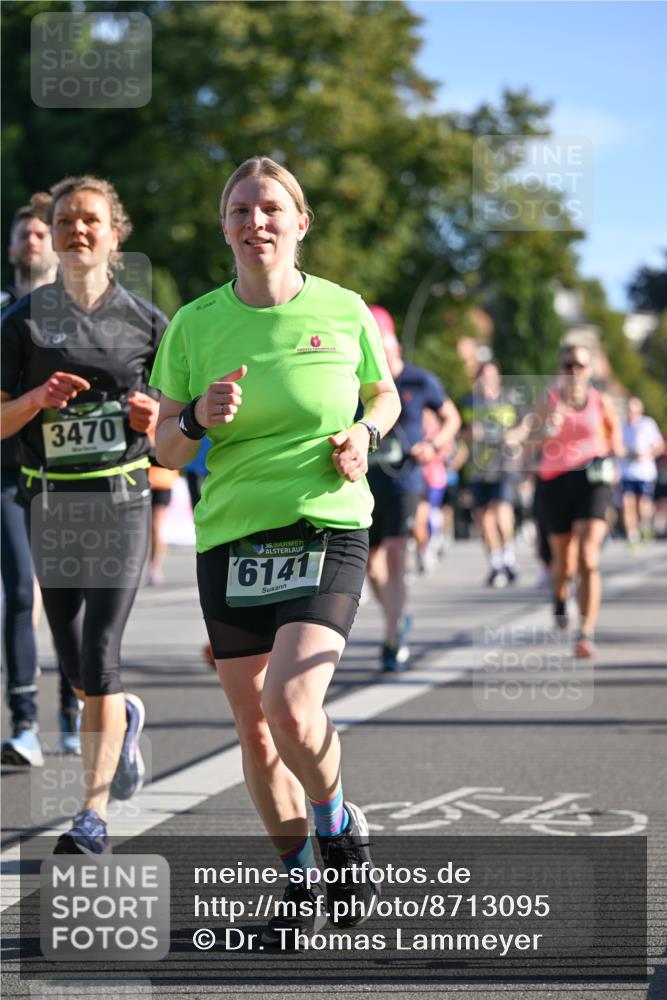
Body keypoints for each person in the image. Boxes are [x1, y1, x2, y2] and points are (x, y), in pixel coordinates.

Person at [150, 156, 401, 947]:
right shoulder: (193, 324)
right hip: (232, 537)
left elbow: (384, 392)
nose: (254, 222)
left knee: (290, 705)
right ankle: (297, 881)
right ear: (223, 226)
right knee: (254, 730)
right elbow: (162, 451)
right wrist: (193, 417)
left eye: (268, 208)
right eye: (238, 210)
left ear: (299, 222)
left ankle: (337, 824)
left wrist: (365, 433)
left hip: (325, 523)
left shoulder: (343, 308)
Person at [1, 175, 168, 851]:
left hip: (122, 500)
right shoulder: (21, 321)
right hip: (50, 503)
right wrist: (36, 399)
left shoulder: (148, 323)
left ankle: (91, 815)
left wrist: (154, 419)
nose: (76, 229)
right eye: (65, 219)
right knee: (74, 664)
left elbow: (176, 427)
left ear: (114, 234)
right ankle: (121, 719)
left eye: (90, 219)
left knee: (100, 654)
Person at [1, 194, 81, 765]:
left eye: (39, 233)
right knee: (21, 592)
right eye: (23, 233)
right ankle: (25, 724)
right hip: (8, 472)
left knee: (70, 597)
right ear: (11, 246)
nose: (31, 241)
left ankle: (75, 714)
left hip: (70, 473)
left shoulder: (85, 309)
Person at [365, 307, 460, 671]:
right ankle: (397, 616)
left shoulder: (420, 381)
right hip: (368, 482)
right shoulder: (360, 383)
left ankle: (392, 639)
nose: (383, 359)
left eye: (386, 349)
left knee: (394, 554)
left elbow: (452, 418)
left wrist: (434, 446)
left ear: (397, 348)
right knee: (370, 566)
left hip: (406, 481)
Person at [529, 344, 624, 658]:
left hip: (592, 481)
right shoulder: (547, 400)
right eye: (568, 365)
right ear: (560, 368)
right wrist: (547, 429)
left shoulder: (600, 401)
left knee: (587, 556)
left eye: (579, 365)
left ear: (589, 369)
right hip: (555, 482)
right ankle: (559, 600)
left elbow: (616, 439)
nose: (574, 371)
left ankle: (585, 632)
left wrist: (613, 453)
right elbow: (530, 441)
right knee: (564, 562)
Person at [461, 361, 520, 588]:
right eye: (482, 375)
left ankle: (509, 557)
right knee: (484, 518)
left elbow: (525, 426)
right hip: (479, 468)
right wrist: (469, 433)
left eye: (490, 375)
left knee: (502, 513)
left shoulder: (510, 400)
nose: (486, 380)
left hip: (504, 465)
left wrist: (512, 437)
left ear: (499, 378)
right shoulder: (468, 402)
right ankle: (495, 564)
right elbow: (460, 433)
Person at [619, 396, 664, 548]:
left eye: (633, 410)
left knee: (642, 505)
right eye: (628, 410)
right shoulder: (621, 426)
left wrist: (646, 454)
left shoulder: (647, 424)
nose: (630, 413)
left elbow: (659, 446)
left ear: (640, 411)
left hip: (644, 472)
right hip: (627, 472)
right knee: (627, 502)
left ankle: (644, 524)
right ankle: (633, 536)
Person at [147, 461, 180, 584]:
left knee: (156, 528)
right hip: (142, 482)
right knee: (143, 529)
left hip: (162, 483)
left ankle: (154, 567)